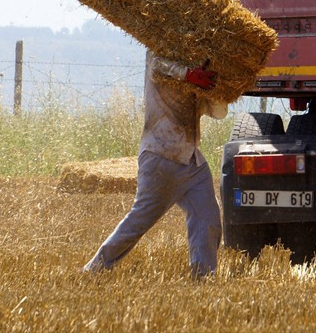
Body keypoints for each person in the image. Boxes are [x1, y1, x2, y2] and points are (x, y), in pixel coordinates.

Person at [83, 50, 227, 277]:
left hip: (191, 160)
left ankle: (203, 278)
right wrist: (188, 74)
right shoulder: (160, 55)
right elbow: (158, 64)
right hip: (161, 155)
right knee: (139, 220)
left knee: (208, 219)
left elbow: (219, 113)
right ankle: (94, 270)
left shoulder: (201, 68)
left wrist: (219, 88)